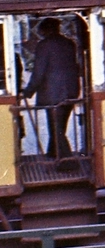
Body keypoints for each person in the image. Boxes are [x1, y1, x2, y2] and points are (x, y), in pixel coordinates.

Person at [22, 17, 80, 159]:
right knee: (60, 126)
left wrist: (28, 91)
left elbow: (38, 73)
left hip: (53, 93)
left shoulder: (44, 45)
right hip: (71, 91)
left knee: (56, 128)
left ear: (46, 30)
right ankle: (53, 154)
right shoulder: (69, 43)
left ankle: (66, 160)